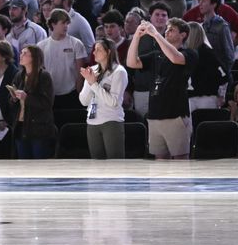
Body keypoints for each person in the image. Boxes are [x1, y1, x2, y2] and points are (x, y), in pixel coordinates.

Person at [126, 16, 196, 160]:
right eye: (167, 29)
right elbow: (132, 62)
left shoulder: (190, 53)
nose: (167, 32)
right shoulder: (156, 55)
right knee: (160, 161)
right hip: (155, 115)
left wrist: (156, 34)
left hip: (175, 115)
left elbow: (175, 58)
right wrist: (137, 36)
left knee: (180, 161)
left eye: (172, 30)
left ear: (183, 35)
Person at [79, 38, 127, 159]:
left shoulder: (119, 71)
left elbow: (113, 102)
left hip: (111, 121)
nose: (94, 52)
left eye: (98, 50)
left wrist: (94, 84)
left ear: (109, 52)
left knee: (115, 163)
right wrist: (89, 83)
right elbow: (83, 101)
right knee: (96, 164)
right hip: (92, 122)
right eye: (94, 49)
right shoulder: (93, 70)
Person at [7, 45, 56, 159]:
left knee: (39, 162)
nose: (21, 55)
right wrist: (13, 98)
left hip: (38, 128)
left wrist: (26, 98)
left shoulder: (43, 76)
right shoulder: (20, 75)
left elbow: (47, 103)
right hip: (20, 125)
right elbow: (12, 103)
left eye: (25, 53)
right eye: (21, 53)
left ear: (34, 57)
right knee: (23, 163)